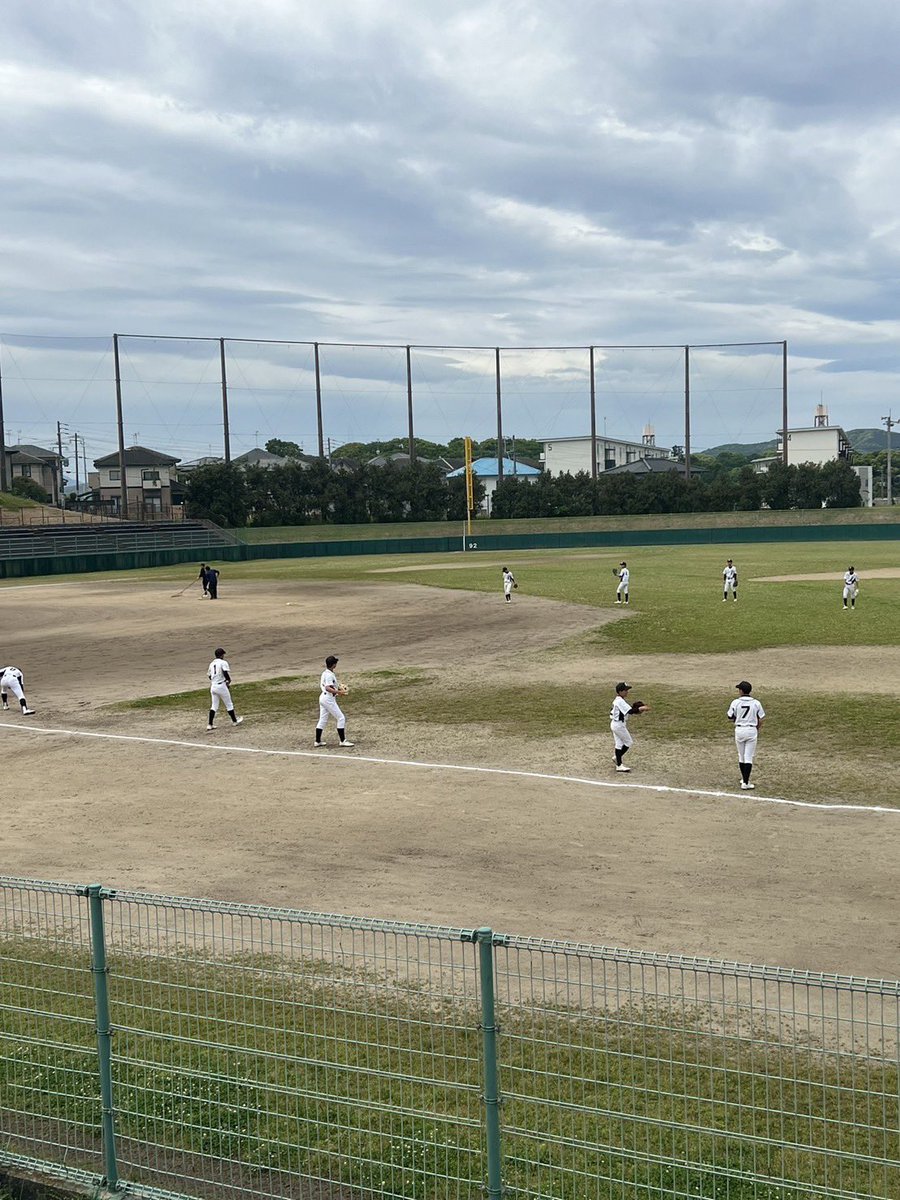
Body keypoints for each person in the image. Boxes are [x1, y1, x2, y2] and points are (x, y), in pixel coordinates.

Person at [727, 680, 765, 790]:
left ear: (742, 691)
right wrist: (756, 728)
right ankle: (745, 781)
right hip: (751, 730)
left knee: (741, 755)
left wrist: (737, 720)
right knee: (748, 756)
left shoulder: (735, 702)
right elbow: (761, 718)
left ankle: (744, 779)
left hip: (739, 730)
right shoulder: (756, 703)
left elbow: (730, 716)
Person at [315, 654, 354, 748]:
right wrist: (338, 692)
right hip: (328, 699)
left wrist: (337, 690)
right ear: (334, 665)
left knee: (323, 719)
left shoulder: (325, 673)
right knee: (341, 718)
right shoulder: (329, 675)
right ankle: (343, 741)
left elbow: (328, 686)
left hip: (323, 698)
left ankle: (317, 741)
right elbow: (328, 688)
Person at [609, 681, 648, 772]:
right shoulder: (620, 701)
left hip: (615, 724)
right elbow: (630, 711)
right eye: (625, 690)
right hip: (618, 725)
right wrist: (640, 708)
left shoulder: (619, 700)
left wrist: (637, 710)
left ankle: (618, 762)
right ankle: (618, 761)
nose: (627, 692)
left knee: (619, 744)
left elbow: (628, 711)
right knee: (628, 742)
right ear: (620, 691)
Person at [206, 648, 243, 732]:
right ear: (221, 655)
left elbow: (209, 676)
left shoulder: (212, 664)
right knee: (229, 704)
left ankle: (210, 724)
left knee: (214, 706)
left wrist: (215, 680)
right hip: (221, 686)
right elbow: (225, 672)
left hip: (213, 686)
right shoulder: (223, 662)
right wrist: (228, 681)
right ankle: (235, 721)